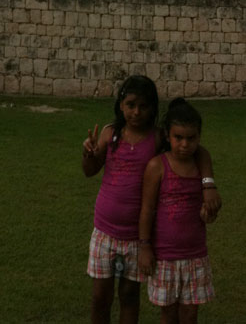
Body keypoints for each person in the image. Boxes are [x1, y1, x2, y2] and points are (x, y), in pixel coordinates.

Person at [82, 78, 221, 324]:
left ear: (153, 108)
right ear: (121, 105)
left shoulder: (158, 138)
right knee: (99, 296)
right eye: (130, 104)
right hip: (105, 231)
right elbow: (90, 169)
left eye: (143, 106)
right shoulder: (110, 134)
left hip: (137, 237)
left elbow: (196, 149)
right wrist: (89, 154)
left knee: (129, 295)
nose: (136, 112)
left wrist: (208, 183)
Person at [138, 98, 216, 324]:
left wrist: (207, 212)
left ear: (199, 137)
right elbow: (147, 209)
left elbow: (205, 207)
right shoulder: (157, 166)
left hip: (195, 254)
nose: (184, 144)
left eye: (191, 138)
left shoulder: (200, 164)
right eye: (178, 137)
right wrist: (144, 246)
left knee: (190, 315)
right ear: (167, 136)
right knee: (169, 314)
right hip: (165, 256)